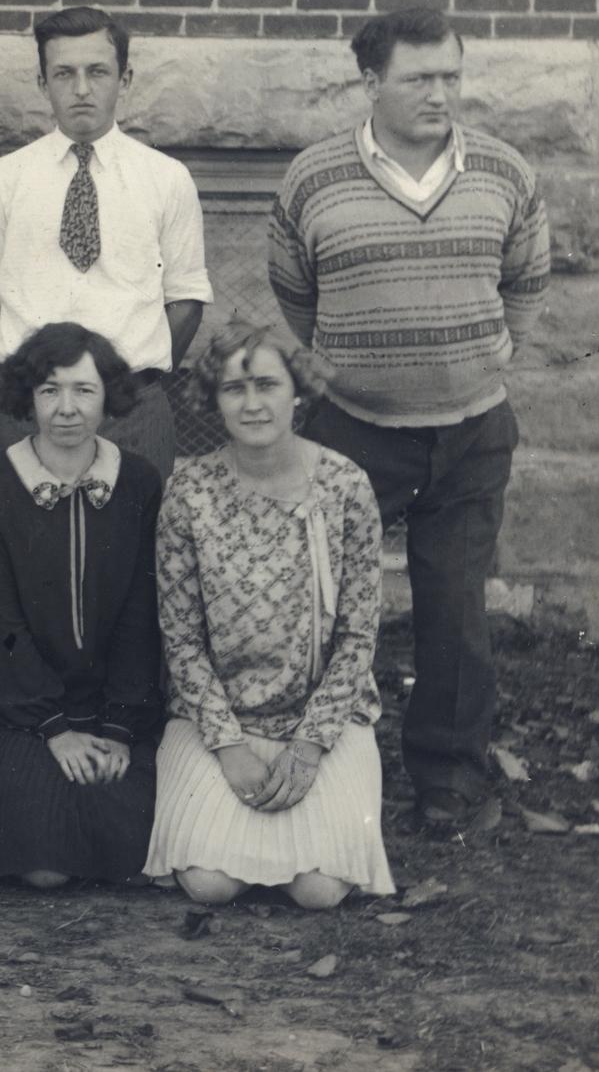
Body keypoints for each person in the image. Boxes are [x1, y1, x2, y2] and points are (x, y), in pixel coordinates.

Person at [268, 7, 550, 832]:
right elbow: (294, 291)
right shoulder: (313, 178)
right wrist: (357, 362)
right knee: (316, 599)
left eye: (450, 76)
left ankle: (448, 783)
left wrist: (484, 357)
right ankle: (304, 763)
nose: (439, 93)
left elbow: (525, 283)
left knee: (454, 605)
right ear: (370, 83)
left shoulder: (503, 170)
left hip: (470, 428)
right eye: (418, 78)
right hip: (353, 428)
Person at [146, 321, 394, 909]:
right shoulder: (189, 492)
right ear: (214, 400)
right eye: (235, 389)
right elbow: (180, 640)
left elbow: (359, 636)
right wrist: (227, 744)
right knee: (208, 883)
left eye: (267, 384)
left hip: (322, 720)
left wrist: (310, 745)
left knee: (318, 891)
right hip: (217, 720)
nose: (253, 403)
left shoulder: (344, 487)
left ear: (297, 391)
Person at [0, 7, 211, 479]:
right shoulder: (7, 177)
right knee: (18, 543)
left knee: (132, 549)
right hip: (29, 407)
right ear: (42, 84)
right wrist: (33, 377)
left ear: (125, 78)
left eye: (97, 72)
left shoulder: (165, 178)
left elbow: (186, 300)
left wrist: (128, 383)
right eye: (64, 74)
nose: (81, 89)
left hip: (132, 410)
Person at [0, 322, 163, 888]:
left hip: (111, 706)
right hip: (19, 711)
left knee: (130, 858)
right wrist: (52, 727)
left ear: (109, 397)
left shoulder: (139, 483)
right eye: (50, 391)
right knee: (43, 869)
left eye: (83, 390)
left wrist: (121, 727)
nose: (66, 408)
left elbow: (140, 616)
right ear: (28, 397)